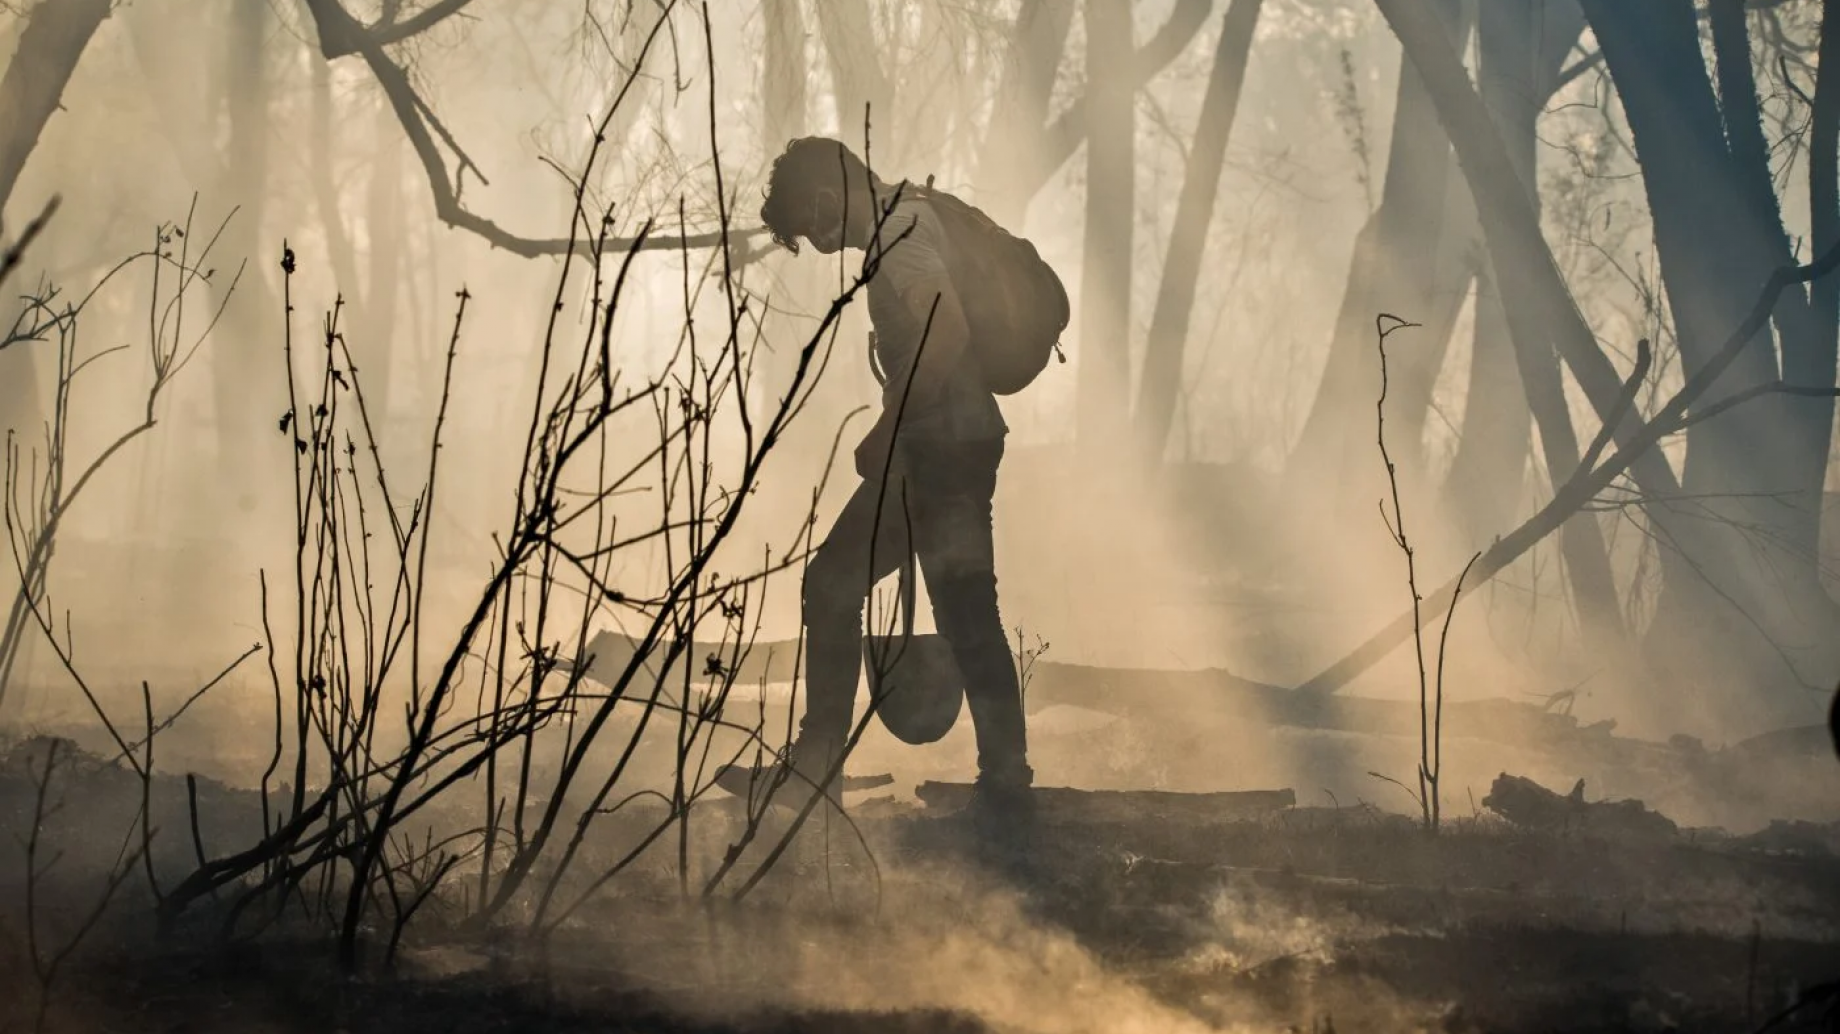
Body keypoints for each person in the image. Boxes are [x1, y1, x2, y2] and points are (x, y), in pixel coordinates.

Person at [715, 137, 1033, 822]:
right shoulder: (912, 217)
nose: (822, 244)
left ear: (829, 200)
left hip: (940, 450)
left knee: (838, 584)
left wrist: (891, 427)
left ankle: (821, 766)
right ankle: (1005, 781)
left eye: (814, 228)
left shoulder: (899, 233)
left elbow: (945, 332)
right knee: (964, 611)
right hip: (956, 443)